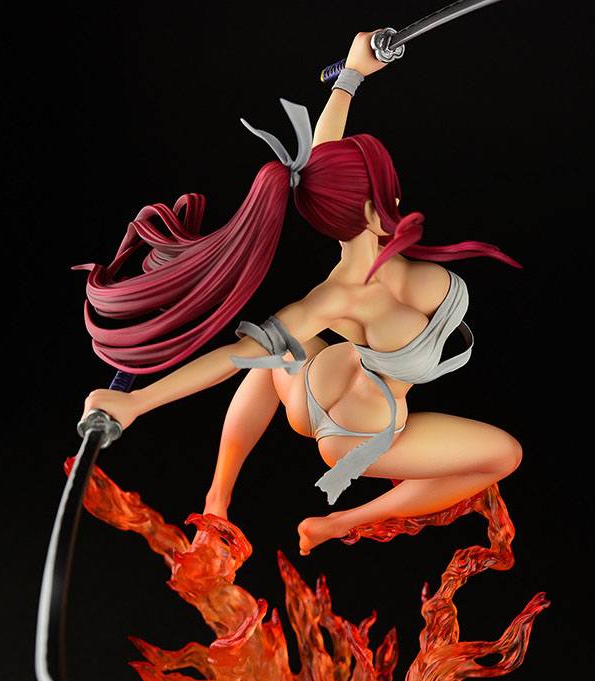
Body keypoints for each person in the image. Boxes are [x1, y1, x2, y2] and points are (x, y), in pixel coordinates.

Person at [80, 31, 523, 556]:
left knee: (278, 351)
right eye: (389, 187)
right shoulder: (341, 298)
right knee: (504, 456)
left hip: (318, 380)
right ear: (376, 206)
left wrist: (352, 76)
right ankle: (336, 523)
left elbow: (321, 164)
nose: (398, 195)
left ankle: (217, 501)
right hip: (356, 436)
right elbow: (232, 357)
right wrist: (135, 402)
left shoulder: (345, 265)